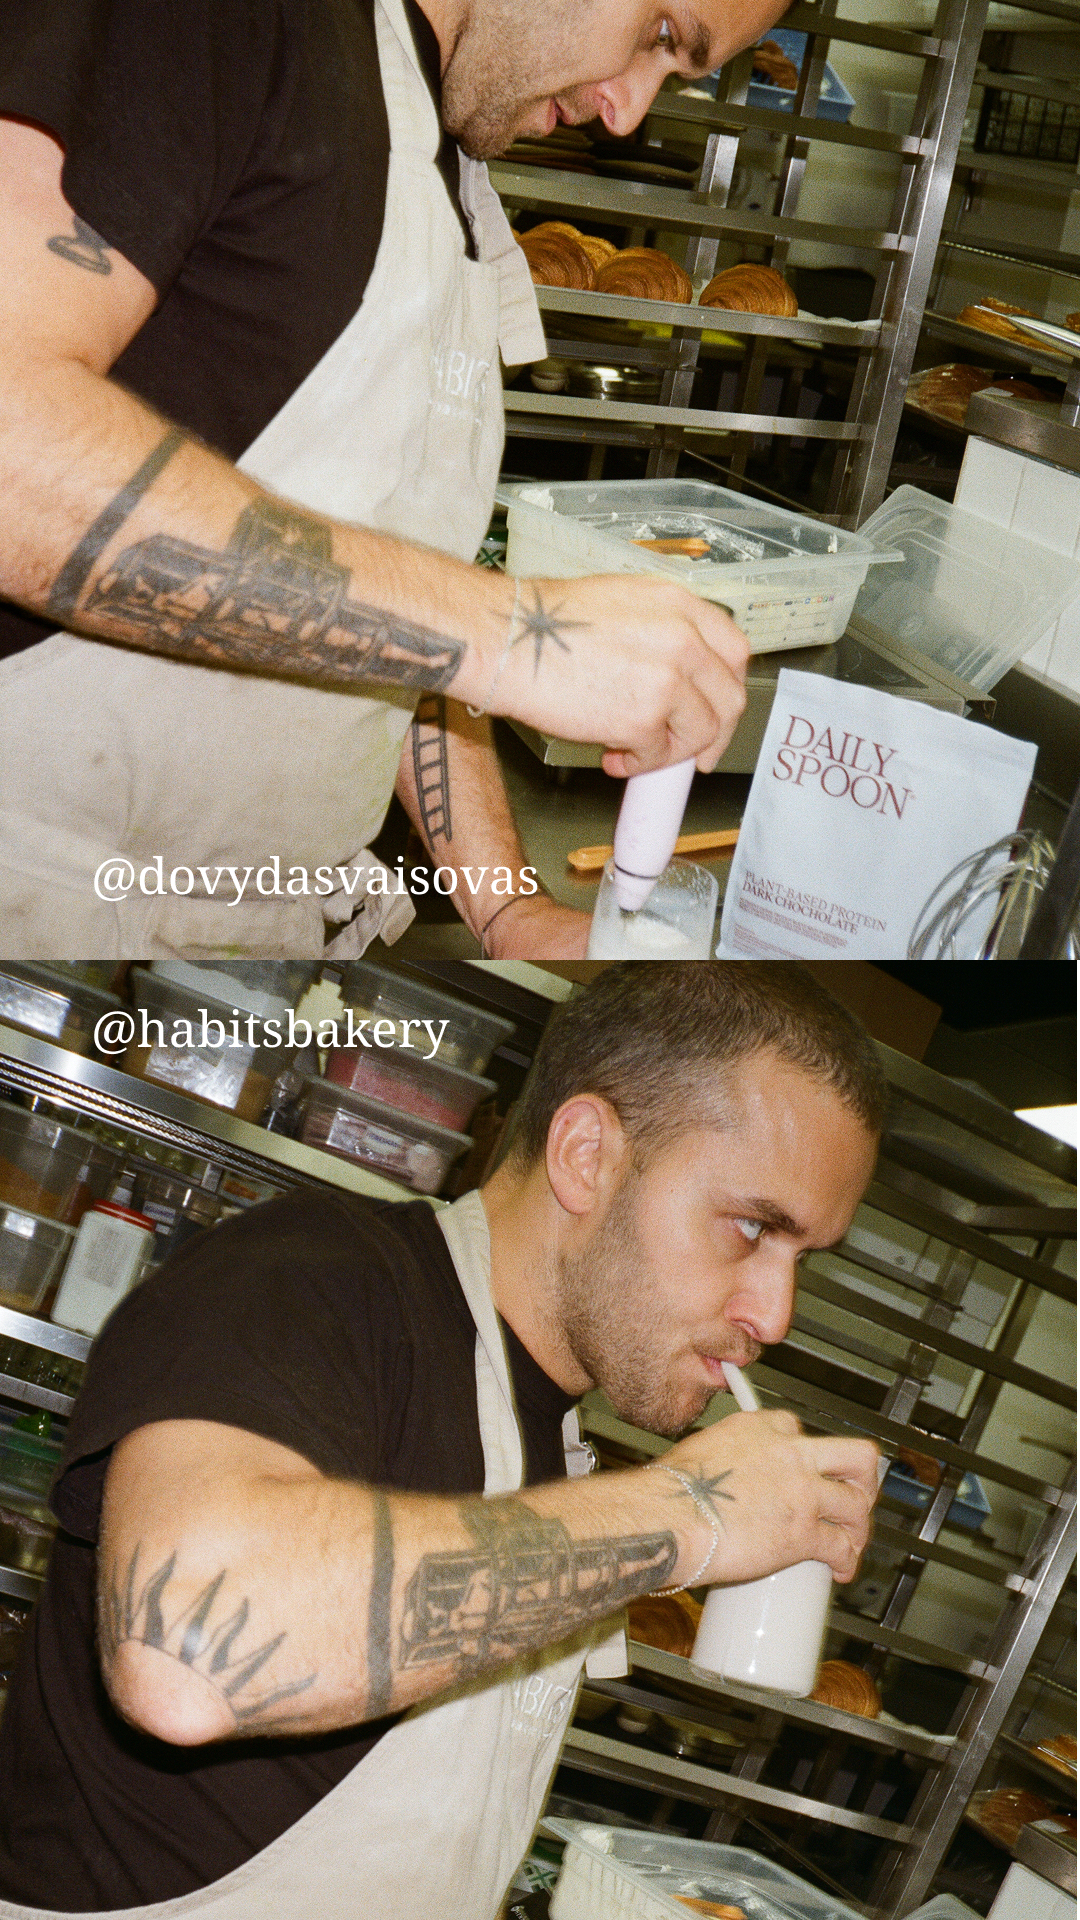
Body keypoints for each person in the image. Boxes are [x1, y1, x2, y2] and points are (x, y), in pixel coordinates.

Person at [0, 961, 885, 1919]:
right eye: (750, 1227)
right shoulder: (305, 1278)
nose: (775, 1315)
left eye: (804, 1258)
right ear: (586, 1154)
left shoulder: (556, 1439)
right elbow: (189, 1655)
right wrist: (690, 1512)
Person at [0, 0, 785, 962]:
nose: (628, 113)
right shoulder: (222, 25)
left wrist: (504, 907)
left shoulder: (452, 165)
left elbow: (393, 598)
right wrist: (515, 637)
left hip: (242, 945)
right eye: (661, 35)